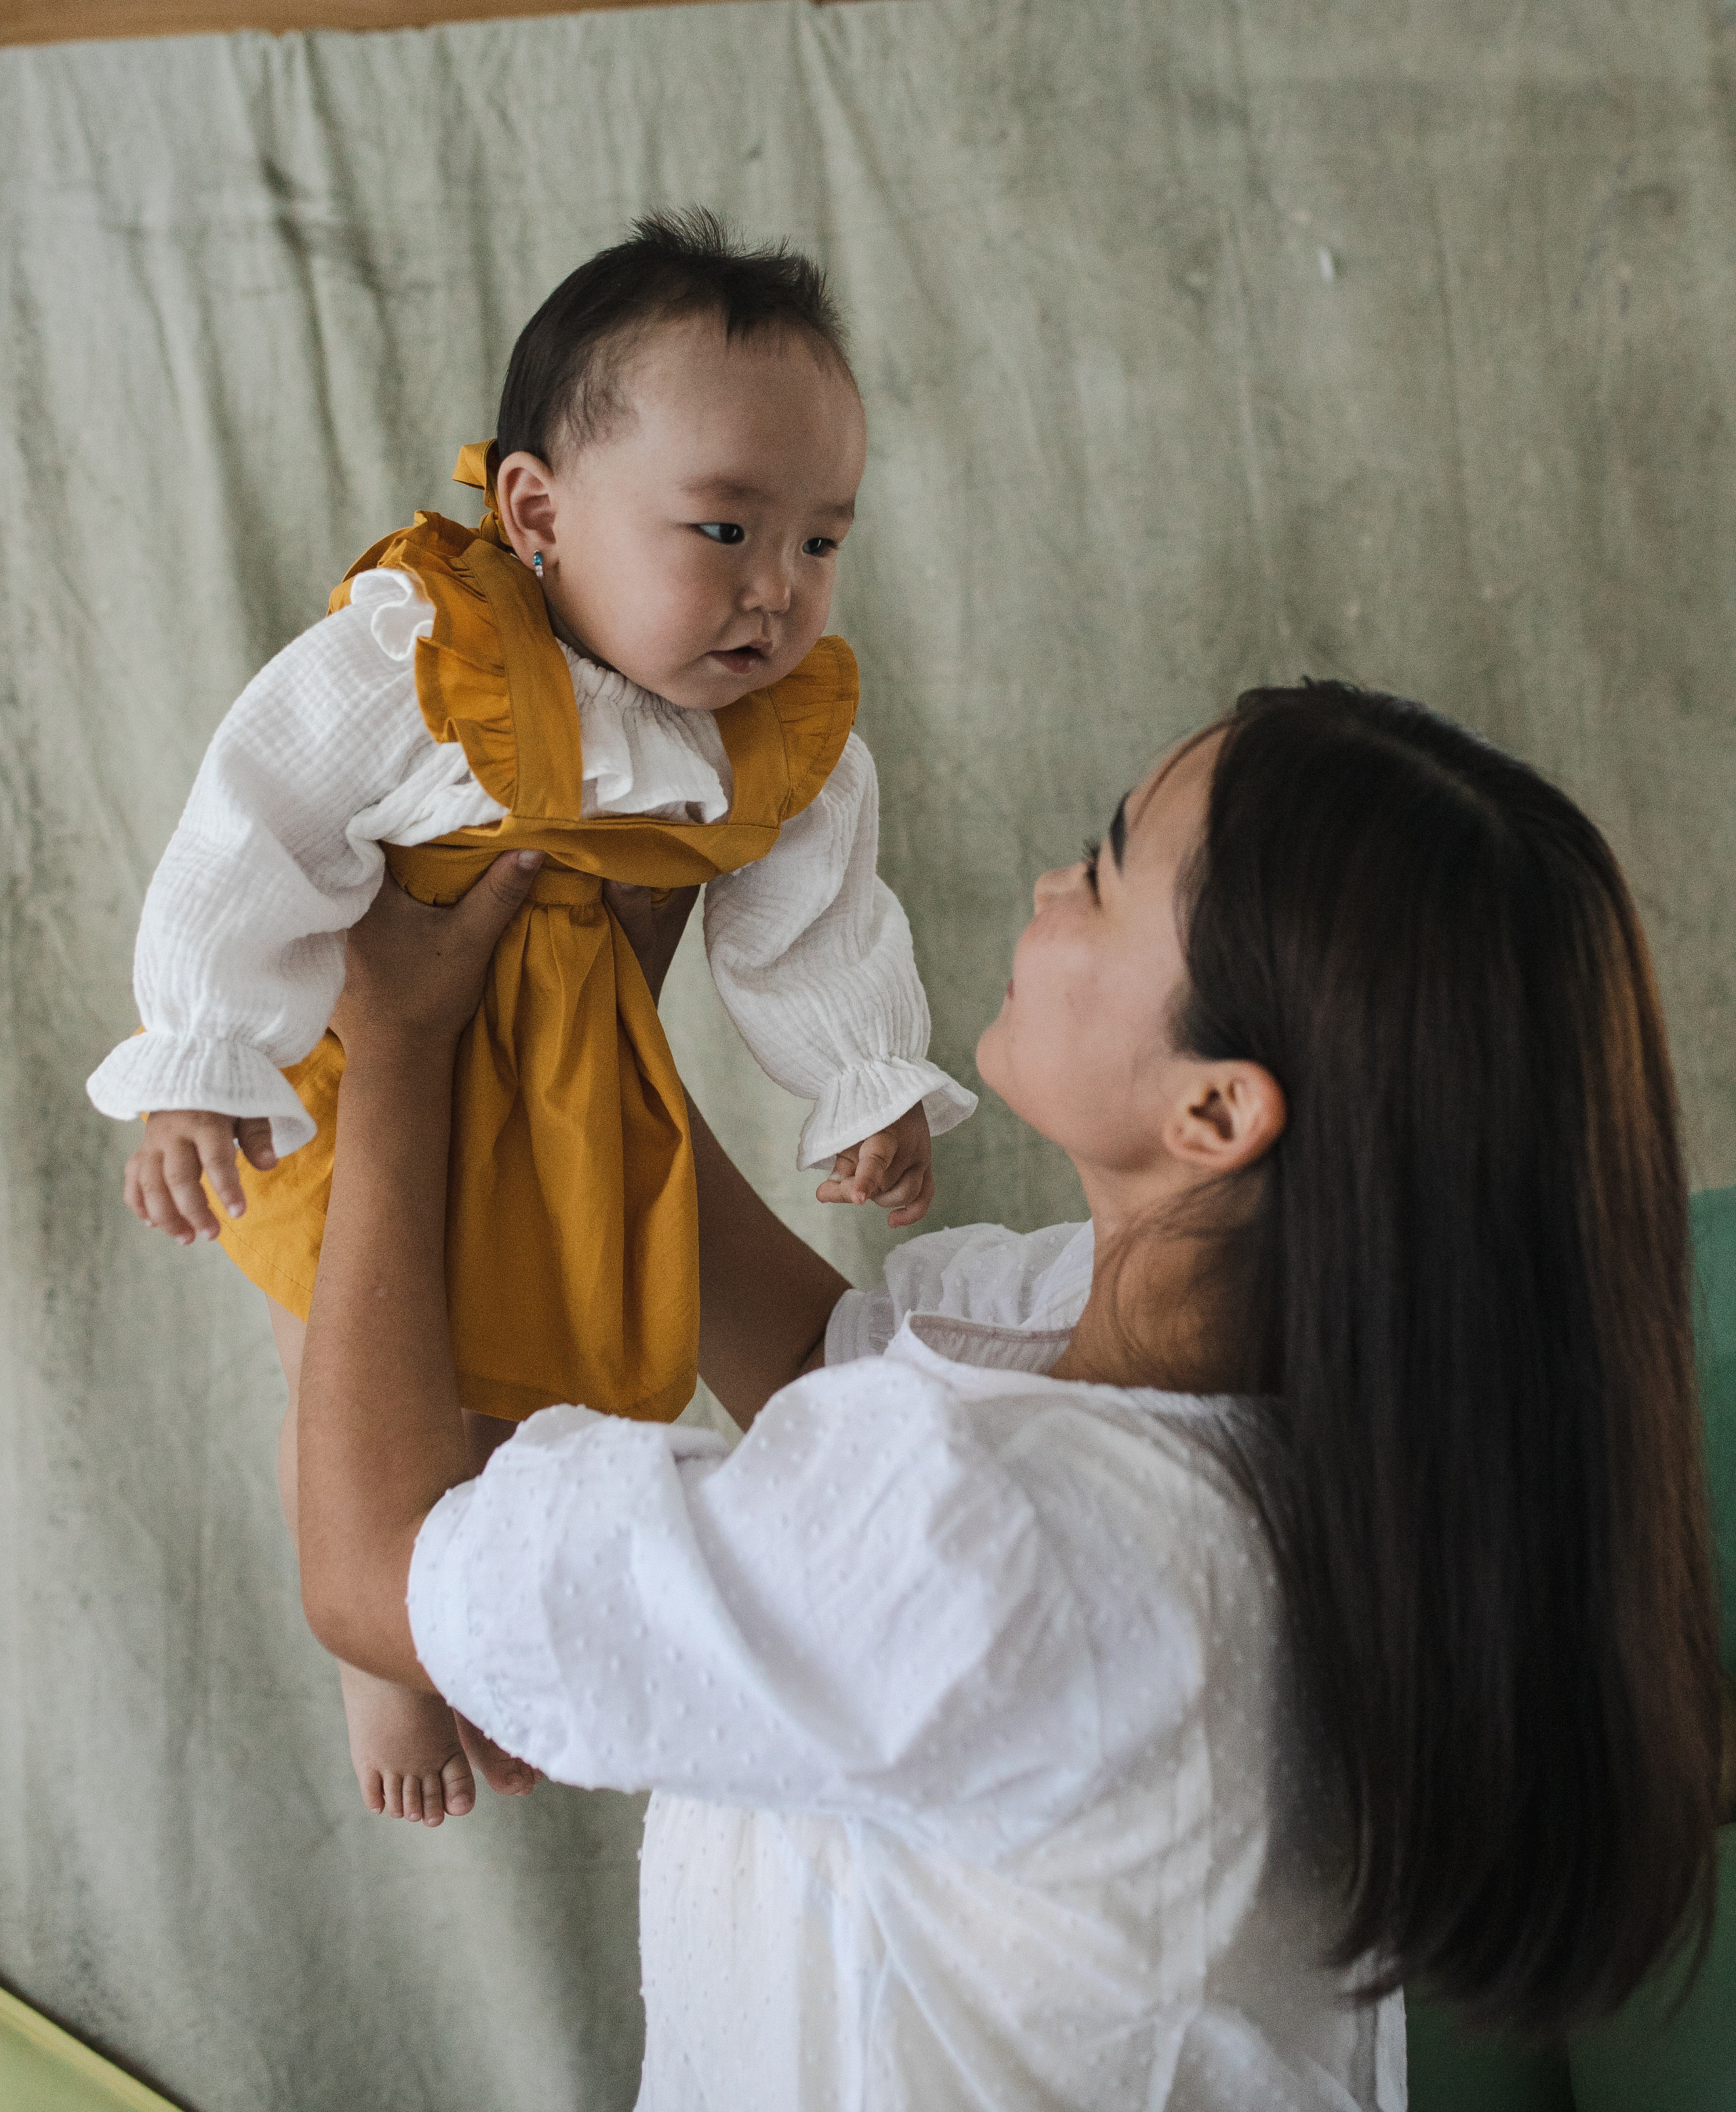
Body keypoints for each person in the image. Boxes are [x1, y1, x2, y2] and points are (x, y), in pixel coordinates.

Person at [294, 683, 1723, 2110]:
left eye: (1104, 870)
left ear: (1215, 1112)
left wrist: (398, 1054)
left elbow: (375, 1575)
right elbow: (816, 1362)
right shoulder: (1302, 1413)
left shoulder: (986, 1534)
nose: (1054, 883)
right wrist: (593, 1018)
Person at [88, 212, 974, 1822]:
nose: (776, 592)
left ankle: (478, 1630)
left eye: (821, 544)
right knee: (354, 1369)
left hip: (571, 1089)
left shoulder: (782, 743)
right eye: (723, 530)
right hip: (364, 1077)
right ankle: (383, 1654)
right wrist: (200, 1059)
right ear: (537, 513)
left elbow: (812, 917)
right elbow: (253, 830)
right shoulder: (422, 663)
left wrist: (860, 1076)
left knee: (512, 1402)